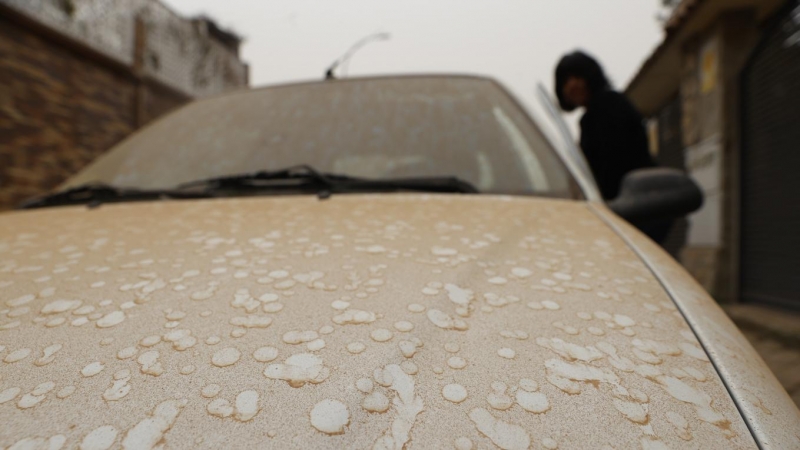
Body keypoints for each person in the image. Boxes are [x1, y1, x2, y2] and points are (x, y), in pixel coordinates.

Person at [555, 50, 671, 243]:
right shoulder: (601, 110)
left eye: (577, 77)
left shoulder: (606, 108)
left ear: (590, 76)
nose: (572, 85)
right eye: (565, 81)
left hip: (631, 216)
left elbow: (611, 167)